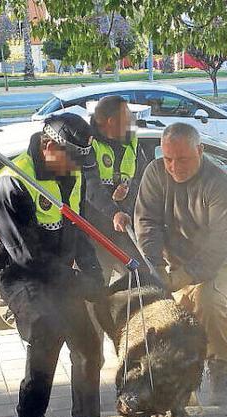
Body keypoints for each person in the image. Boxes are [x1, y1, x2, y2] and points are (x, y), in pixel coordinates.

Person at [0, 113, 104, 417]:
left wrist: (93, 273)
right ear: (49, 146)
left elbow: (79, 230)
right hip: (16, 268)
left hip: (55, 265)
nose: (77, 167)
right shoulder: (11, 183)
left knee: (89, 346)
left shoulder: (69, 173)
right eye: (73, 159)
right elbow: (26, 257)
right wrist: (78, 283)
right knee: (47, 334)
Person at [134, 123, 227, 406]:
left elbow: (219, 242)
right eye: (168, 158)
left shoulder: (220, 183)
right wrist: (155, 266)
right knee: (172, 318)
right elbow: (147, 222)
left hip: (218, 261)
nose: (173, 166)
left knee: (209, 302)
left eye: (182, 159)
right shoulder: (155, 173)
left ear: (200, 151)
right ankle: (182, 380)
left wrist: (185, 277)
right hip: (173, 260)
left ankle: (221, 367)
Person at [84, 95, 150, 283]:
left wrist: (129, 188)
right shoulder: (89, 145)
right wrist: (113, 211)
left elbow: (143, 178)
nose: (132, 118)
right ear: (112, 122)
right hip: (95, 231)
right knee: (97, 285)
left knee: (141, 277)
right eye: (127, 114)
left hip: (124, 227)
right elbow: (90, 186)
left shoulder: (132, 143)